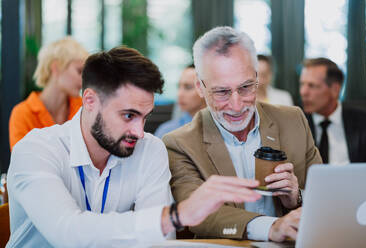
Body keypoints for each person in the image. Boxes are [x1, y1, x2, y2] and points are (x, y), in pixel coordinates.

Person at [6, 46, 262, 247]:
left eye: (145, 117)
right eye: (128, 115)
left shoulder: (150, 149)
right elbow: (66, 233)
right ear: (90, 100)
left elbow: (157, 242)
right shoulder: (36, 150)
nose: (140, 132)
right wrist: (176, 214)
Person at [163, 27, 321, 242]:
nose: (236, 105)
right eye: (222, 92)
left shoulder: (293, 120)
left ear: (257, 77)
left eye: (246, 87)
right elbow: (201, 216)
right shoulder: (179, 144)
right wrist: (271, 227)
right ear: (200, 87)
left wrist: (296, 197)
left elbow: (324, 198)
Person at [8, 37, 88, 150]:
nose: (84, 80)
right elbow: (24, 162)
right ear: (56, 67)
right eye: (79, 71)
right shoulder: (23, 114)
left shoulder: (84, 108)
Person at [299, 57, 366, 164]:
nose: (303, 92)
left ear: (335, 90)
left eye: (312, 85)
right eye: (302, 84)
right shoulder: (296, 122)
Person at [155, 64, 206, 138]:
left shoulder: (223, 129)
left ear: (206, 90)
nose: (180, 94)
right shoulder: (167, 132)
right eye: (179, 86)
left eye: (188, 87)